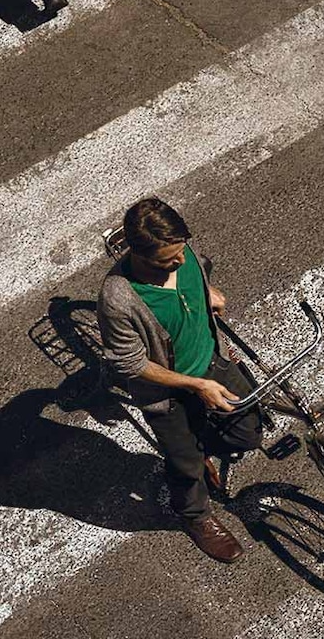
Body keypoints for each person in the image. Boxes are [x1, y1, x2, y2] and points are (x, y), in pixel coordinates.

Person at [92, 198, 274, 562]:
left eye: (180, 251)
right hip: (168, 392)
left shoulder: (181, 251)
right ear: (138, 255)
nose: (178, 261)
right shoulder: (118, 299)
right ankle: (195, 517)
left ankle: (199, 443)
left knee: (248, 434)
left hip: (212, 361)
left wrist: (205, 292)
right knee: (186, 464)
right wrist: (195, 386)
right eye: (166, 260)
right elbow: (129, 364)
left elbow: (195, 272)